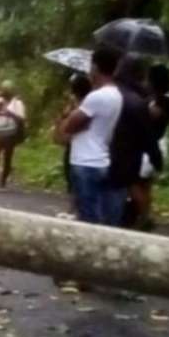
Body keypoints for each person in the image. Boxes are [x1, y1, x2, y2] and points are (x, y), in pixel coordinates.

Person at [61, 49, 123, 225]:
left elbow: (69, 126)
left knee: (87, 219)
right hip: (102, 159)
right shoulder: (116, 95)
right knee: (98, 215)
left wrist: (72, 114)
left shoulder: (96, 97)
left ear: (95, 67)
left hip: (85, 162)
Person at [108, 55, 163, 228]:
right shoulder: (137, 102)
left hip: (102, 153)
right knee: (120, 197)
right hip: (126, 157)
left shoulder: (108, 93)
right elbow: (147, 135)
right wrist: (156, 159)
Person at [130, 64, 169, 230]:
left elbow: (152, 115)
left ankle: (144, 216)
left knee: (133, 180)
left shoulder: (165, 100)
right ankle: (144, 217)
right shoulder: (154, 97)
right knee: (145, 184)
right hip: (149, 145)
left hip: (153, 145)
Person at [54, 74, 92, 208]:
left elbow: (63, 134)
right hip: (84, 150)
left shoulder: (81, 109)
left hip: (78, 150)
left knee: (75, 182)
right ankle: (74, 208)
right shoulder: (88, 106)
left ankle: (74, 209)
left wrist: (64, 118)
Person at [0, 80, 26, 191]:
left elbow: (21, 119)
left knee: (7, 158)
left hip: (10, 134)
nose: (5, 93)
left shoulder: (17, 103)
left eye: (7, 91)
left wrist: (10, 113)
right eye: (4, 91)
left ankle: (3, 181)